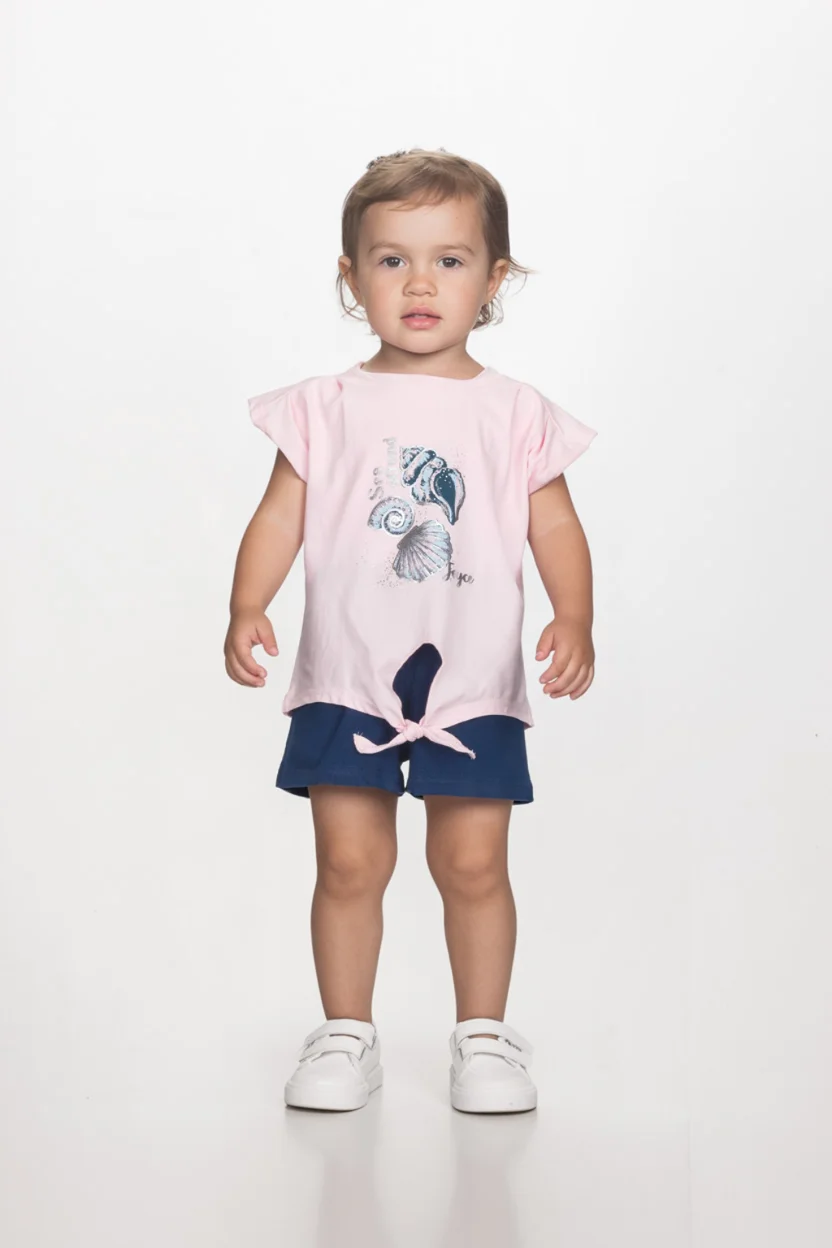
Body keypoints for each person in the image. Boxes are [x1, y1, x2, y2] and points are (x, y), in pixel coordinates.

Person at [224, 147, 597, 1114]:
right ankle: (347, 1032)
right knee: (348, 862)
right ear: (351, 277)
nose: (420, 283)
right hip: (346, 676)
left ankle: (484, 1037)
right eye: (392, 260)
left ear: (494, 278)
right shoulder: (323, 407)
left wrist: (575, 615)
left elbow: (556, 526)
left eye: (449, 260)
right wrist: (248, 602)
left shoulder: (515, 413)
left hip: (473, 683)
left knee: (472, 863)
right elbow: (279, 517)